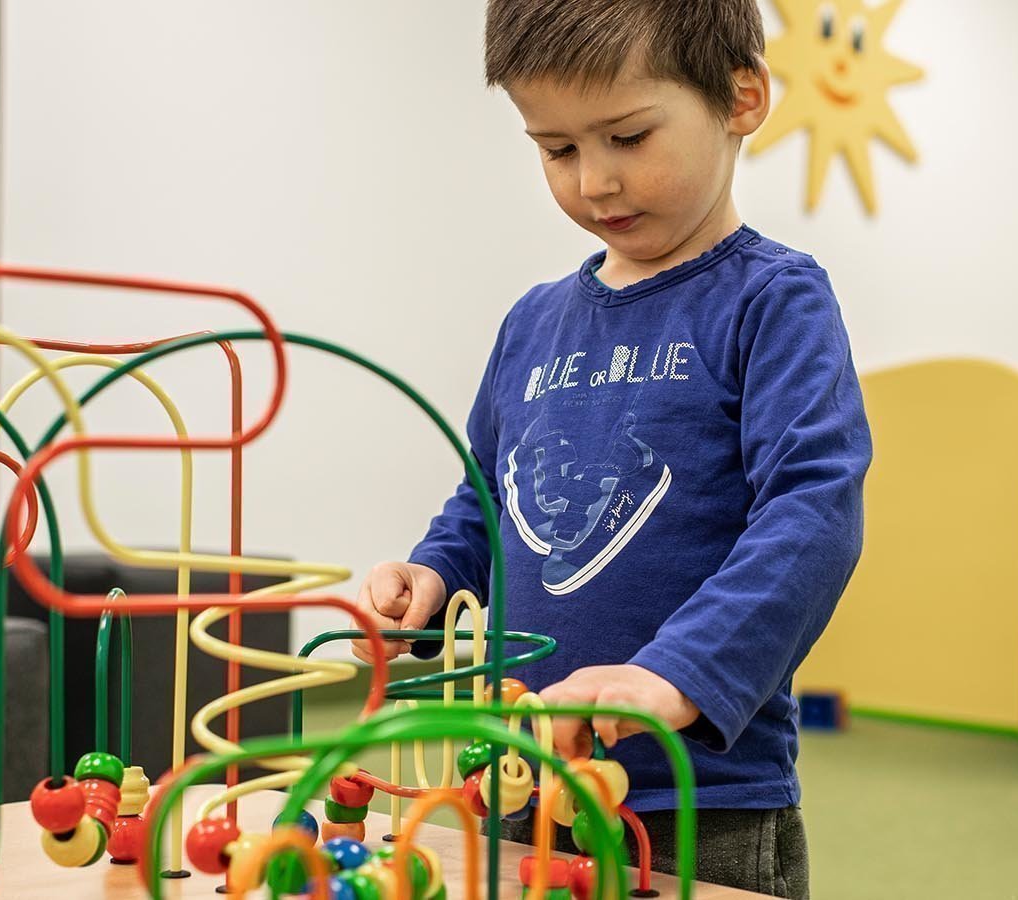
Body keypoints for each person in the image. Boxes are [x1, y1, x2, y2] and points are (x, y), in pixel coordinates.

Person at [352, 1, 872, 895]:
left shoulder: (772, 300)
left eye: (628, 137)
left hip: (690, 803)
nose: (593, 182)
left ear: (743, 97)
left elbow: (813, 512)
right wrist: (433, 578)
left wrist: (675, 676)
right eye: (557, 150)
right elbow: (489, 495)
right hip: (514, 775)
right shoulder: (533, 323)